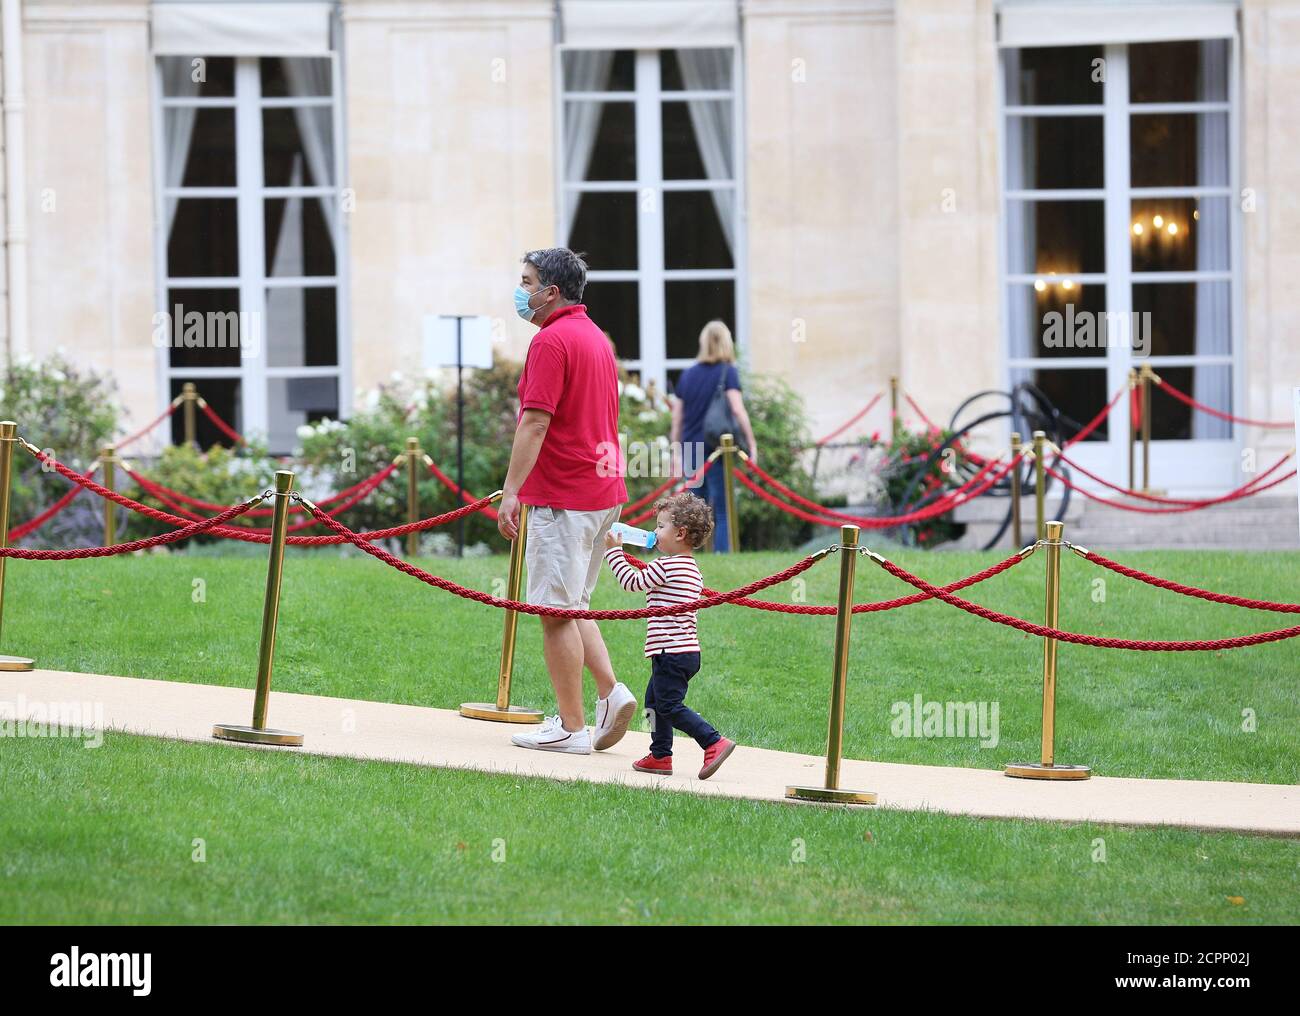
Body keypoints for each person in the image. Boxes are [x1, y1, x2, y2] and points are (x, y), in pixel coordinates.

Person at [498, 248, 637, 755]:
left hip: (564, 495)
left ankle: (572, 728)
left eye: (528, 281)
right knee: (573, 602)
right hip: (602, 491)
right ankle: (611, 693)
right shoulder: (594, 337)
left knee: (554, 612)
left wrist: (511, 491)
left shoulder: (551, 341)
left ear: (551, 292)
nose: (522, 290)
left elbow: (536, 420)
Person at [602, 492, 737, 780]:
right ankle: (660, 755)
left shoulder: (666, 566)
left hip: (670, 652)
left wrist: (613, 551)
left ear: (680, 533)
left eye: (660, 527)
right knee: (654, 701)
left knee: (668, 705)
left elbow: (631, 582)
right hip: (685, 652)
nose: (654, 532)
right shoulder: (690, 567)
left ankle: (712, 741)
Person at [669, 321, 758, 552]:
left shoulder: (688, 375)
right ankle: (722, 552)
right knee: (722, 507)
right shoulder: (728, 372)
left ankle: (690, 557)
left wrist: (676, 452)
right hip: (718, 448)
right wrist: (751, 443)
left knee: (694, 510)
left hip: (691, 447)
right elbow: (737, 409)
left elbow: (677, 417)